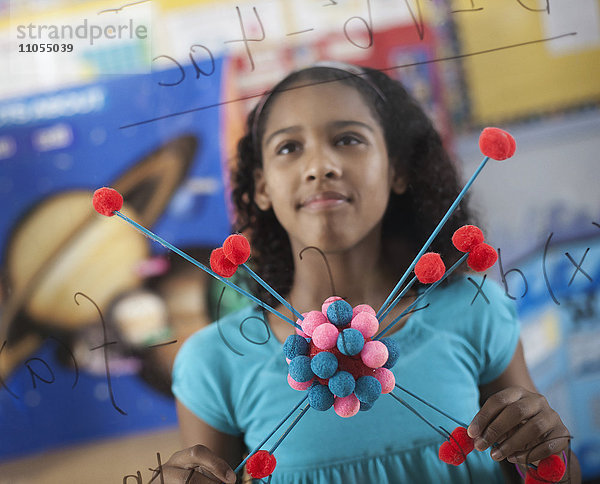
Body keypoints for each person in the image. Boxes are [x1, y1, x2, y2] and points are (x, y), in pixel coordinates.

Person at [163, 63, 580, 483]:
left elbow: (549, 472)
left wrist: (546, 454)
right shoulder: (213, 363)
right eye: (289, 148)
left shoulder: (476, 309)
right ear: (262, 186)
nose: (320, 166)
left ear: (397, 169)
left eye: (348, 139)